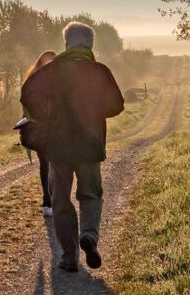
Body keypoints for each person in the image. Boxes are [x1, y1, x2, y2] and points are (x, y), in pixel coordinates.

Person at [20, 23, 124, 272]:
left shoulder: (53, 70)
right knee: (91, 195)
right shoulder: (100, 71)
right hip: (90, 144)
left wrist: (46, 117)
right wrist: (94, 111)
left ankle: (68, 256)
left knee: (61, 200)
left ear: (67, 44)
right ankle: (89, 235)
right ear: (90, 45)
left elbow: (27, 94)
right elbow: (117, 105)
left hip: (59, 145)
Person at [22, 50, 57, 217]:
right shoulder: (57, 80)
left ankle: (48, 200)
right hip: (47, 129)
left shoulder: (30, 81)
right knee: (51, 164)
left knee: (46, 164)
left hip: (37, 130)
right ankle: (50, 199)